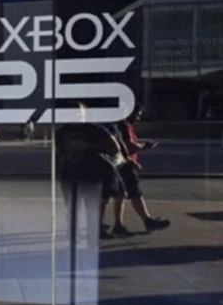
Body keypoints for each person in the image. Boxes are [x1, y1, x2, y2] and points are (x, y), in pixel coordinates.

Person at [55, 102, 126, 240]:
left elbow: (115, 148)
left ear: (84, 114)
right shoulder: (61, 132)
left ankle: (94, 230)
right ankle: (73, 232)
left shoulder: (96, 130)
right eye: (72, 112)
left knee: (92, 204)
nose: (75, 115)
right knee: (72, 206)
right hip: (69, 174)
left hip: (91, 173)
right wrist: (59, 167)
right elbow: (58, 152)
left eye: (78, 112)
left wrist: (88, 146)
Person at [110, 104, 171, 235]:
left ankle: (119, 224)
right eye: (137, 115)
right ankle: (146, 221)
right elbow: (127, 145)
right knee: (134, 193)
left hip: (123, 163)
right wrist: (144, 146)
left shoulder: (123, 125)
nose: (138, 118)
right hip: (125, 164)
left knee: (122, 194)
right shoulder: (123, 126)